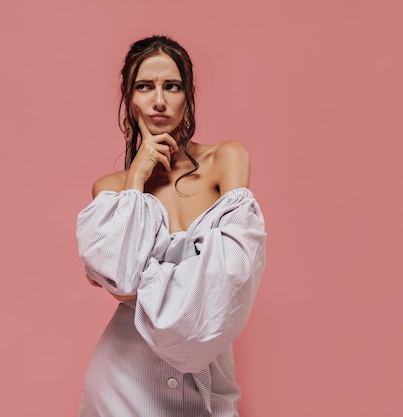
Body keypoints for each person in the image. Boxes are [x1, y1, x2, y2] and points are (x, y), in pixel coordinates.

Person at [76, 35, 267, 417]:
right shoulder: (111, 189)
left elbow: (234, 275)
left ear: (188, 96)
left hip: (207, 379)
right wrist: (136, 179)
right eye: (145, 87)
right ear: (129, 99)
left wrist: (147, 279)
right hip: (124, 381)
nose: (159, 100)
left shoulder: (226, 159)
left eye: (172, 86)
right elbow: (122, 283)